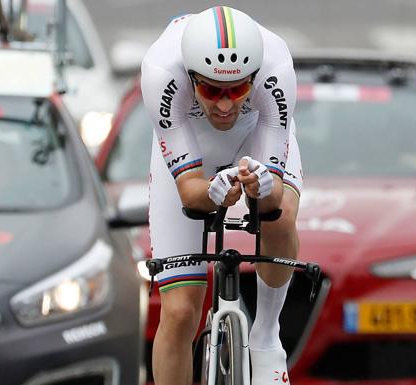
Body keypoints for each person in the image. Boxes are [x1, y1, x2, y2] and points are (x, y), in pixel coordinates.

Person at [141, 6, 302, 385]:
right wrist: (212, 195)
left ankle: (265, 334)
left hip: (256, 135)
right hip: (190, 144)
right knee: (180, 313)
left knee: (279, 215)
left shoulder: (276, 66)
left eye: (238, 89)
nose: (226, 104)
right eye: (211, 90)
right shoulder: (162, 72)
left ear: (255, 77)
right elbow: (189, 193)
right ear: (191, 76)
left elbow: (273, 199)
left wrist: (262, 188)